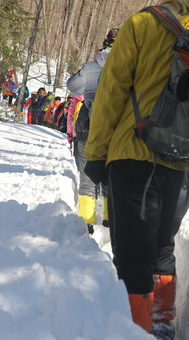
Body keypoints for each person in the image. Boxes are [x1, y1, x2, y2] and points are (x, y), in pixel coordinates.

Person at [84, 0, 189, 336]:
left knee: (133, 253)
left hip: (134, 155)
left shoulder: (142, 24)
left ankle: (138, 330)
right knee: (163, 246)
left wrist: (96, 155)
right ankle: (164, 323)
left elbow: (110, 94)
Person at [67, 28, 119, 235]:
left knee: (87, 174)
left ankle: (86, 221)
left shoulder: (91, 67)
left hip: (88, 126)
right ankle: (108, 219)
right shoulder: (130, 66)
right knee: (110, 174)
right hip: (115, 129)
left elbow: (73, 86)